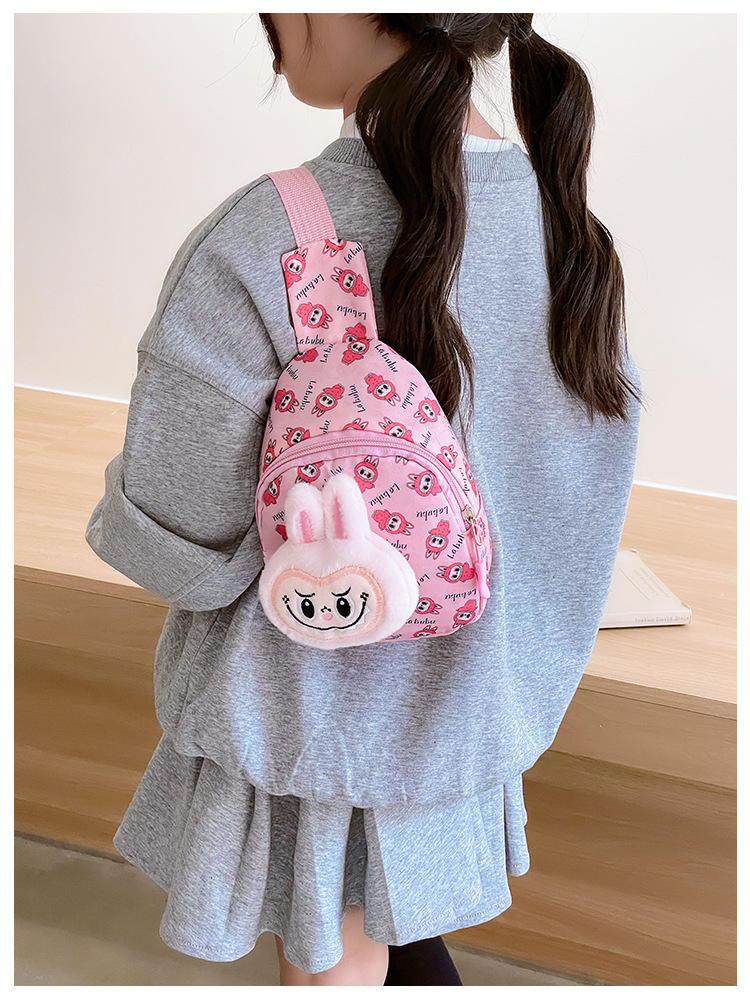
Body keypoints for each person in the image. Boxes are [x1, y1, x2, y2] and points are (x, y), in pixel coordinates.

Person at [84, 12, 643, 988]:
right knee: (395, 947)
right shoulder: (564, 223)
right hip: (474, 718)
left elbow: (179, 535)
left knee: (336, 965)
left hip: (306, 725)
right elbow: (577, 501)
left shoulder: (268, 236)